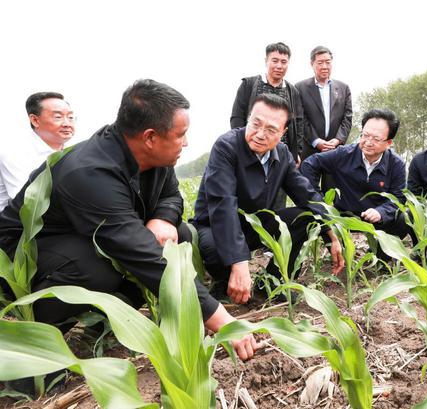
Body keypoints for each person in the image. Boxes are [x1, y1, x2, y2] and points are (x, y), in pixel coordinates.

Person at [0, 79, 256, 360]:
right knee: (99, 268)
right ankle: (35, 341)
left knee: (178, 234)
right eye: (181, 134)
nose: (186, 142)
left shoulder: (155, 158)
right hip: (24, 253)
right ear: (150, 137)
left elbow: (171, 196)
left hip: (80, 237)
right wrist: (222, 321)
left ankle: (101, 326)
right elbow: (142, 256)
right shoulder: (90, 172)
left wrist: (163, 218)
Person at [193, 94, 344, 304]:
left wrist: (332, 232)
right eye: (255, 124)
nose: (260, 134)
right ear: (248, 118)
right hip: (215, 226)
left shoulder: (282, 154)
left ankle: (271, 283)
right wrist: (239, 262)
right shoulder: (227, 147)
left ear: (283, 133)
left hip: (254, 224)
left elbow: (306, 194)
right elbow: (223, 206)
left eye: (271, 129)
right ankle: (223, 281)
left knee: (306, 218)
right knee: (214, 249)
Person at [301, 108, 408, 259]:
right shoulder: (344, 154)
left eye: (376, 139)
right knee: (318, 215)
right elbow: (309, 164)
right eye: (365, 135)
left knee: (404, 218)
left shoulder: (396, 164)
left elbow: (399, 198)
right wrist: (319, 199)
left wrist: (381, 212)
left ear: (388, 142)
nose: (368, 142)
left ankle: (380, 257)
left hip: (375, 217)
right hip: (342, 215)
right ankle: (339, 254)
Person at [230, 42, 304, 163]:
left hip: (281, 154)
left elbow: (299, 123)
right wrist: (241, 147)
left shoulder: (293, 92)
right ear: (266, 61)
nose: (279, 66)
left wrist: (297, 152)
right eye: (275, 61)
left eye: (284, 62)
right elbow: (236, 117)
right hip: (252, 148)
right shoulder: (248, 84)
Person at [0, 92, 75, 211]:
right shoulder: (15, 152)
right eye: (58, 117)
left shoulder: (74, 150)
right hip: (17, 225)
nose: (67, 124)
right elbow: (29, 204)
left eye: (70, 117)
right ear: (35, 120)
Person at [296, 46, 352, 192]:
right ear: (312, 64)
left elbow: (347, 117)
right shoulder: (300, 88)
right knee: (307, 194)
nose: (324, 66)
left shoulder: (343, 88)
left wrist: (338, 140)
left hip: (335, 150)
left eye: (328, 62)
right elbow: (300, 119)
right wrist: (317, 141)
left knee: (333, 194)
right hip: (309, 150)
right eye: (320, 62)